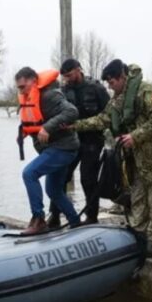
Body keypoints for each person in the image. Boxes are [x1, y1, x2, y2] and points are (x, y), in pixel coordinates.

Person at [75, 60, 152, 257]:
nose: (110, 87)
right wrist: (74, 125)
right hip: (139, 161)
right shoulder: (118, 101)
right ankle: (139, 233)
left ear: (122, 77)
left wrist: (134, 137)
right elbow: (103, 120)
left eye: (112, 83)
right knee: (138, 199)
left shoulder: (147, 92)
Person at [15, 66, 80, 234]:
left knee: (29, 173)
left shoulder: (50, 95)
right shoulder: (29, 98)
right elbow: (34, 120)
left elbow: (72, 111)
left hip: (64, 148)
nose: (21, 91)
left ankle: (39, 220)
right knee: (53, 190)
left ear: (34, 81)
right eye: (19, 88)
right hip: (51, 149)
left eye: (23, 86)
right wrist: (24, 132)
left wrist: (48, 128)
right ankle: (76, 223)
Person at [47, 58, 110, 227]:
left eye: (69, 75)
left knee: (88, 179)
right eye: (65, 76)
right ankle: (54, 215)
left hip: (92, 141)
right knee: (61, 177)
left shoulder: (97, 88)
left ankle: (91, 216)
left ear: (78, 69)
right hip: (70, 142)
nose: (67, 79)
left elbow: (109, 114)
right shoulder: (63, 91)